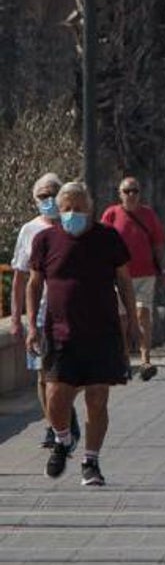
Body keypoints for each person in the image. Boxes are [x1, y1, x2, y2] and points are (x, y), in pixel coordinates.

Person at [25, 182, 138, 486]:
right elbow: (34, 284)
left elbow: (124, 282)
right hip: (59, 332)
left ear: (90, 208)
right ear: (58, 212)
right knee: (55, 396)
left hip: (102, 333)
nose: (73, 213)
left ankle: (91, 461)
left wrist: (133, 323)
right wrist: (32, 328)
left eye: (78, 207)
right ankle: (63, 439)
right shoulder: (45, 240)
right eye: (67, 208)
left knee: (97, 398)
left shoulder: (108, 238)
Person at [10, 173, 79, 450]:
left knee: (68, 373)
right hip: (39, 314)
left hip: (71, 311)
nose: (48, 200)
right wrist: (16, 319)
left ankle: (64, 413)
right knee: (42, 373)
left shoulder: (73, 226)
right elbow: (20, 278)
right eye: (43, 196)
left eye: (53, 193)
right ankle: (53, 425)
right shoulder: (29, 230)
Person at [100, 177, 165, 381]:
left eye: (134, 191)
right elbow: (102, 242)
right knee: (122, 318)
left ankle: (146, 359)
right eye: (127, 191)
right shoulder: (111, 214)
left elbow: (157, 244)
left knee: (142, 313)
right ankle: (125, 359)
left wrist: (163, 269)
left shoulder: (148, 214)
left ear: (140, 193)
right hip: (119, 276)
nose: (131, 195)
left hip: (145, 273)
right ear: (119, 193)